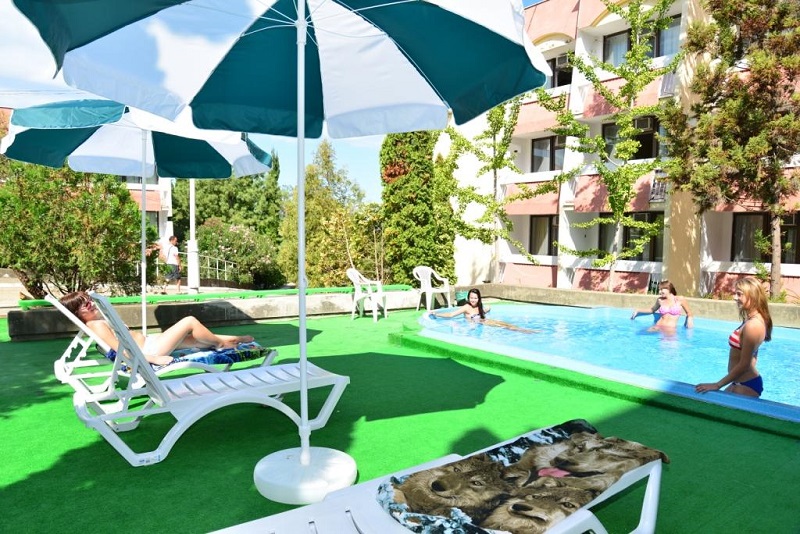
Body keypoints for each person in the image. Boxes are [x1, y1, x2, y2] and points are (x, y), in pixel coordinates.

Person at [60, 291, 254, 366]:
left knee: (194, 340)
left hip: (150, 342)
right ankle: (221, 344)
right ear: (76, 313)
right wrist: (155, 359)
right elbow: (122, 351)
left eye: (89, 300)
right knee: (189, 321)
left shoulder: (98, 321)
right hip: (150, 351)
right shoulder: (96, 326)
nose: (91, 304)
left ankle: (234, 339)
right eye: (85, 305)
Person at [695, 277, 771, 398]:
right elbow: (753, 354)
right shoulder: (751, 319)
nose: (735, 297)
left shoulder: (753, 325)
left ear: (752, 296)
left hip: (746, 384)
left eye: (739, 294)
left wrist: (717, 385)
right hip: (740, 381)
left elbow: (745, 364)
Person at [430, 288, 537, 333]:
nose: (473, 300)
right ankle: (525, 331)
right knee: (505, 327)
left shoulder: (479, 307)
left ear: (479, 299)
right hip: (481, 323)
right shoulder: (466, 307)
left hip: (484, 321)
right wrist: (437, 314)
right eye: (471, 298)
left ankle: (525, 330)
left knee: (506, 324)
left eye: (475, 298)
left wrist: (487, 309)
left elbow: (487, 308)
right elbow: (451, 314)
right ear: (468, 298)